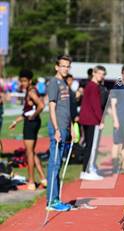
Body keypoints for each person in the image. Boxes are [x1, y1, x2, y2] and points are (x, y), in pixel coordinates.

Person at [45, 55, 75, 211]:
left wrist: (71, 128)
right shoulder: (53, 83)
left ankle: (55, 198)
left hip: (65, 127)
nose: (65, 68)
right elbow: (51, 107)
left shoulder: (64, 83)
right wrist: (56, 129)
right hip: (57, 128)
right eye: (63, 66)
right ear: (57, 67)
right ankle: (51, 201)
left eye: (68, 66)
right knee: (54, 164)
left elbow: (66, 109)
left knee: (58, 164)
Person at [9, 69, 47, 190]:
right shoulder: (29, 90)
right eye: (21, 81)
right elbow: (26, 112)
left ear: (30, 81)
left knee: (29, 152)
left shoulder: (31, 91)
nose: (23, 83)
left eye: (25, 81)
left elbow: (41, 105)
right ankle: (43, 178)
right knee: (31, 151)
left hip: (31, 123)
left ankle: (31, 181)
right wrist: (15, 121)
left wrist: (34, 115)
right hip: (32, 122)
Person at [78, 65, 107, 180]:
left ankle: (89, 168)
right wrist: (101, 120)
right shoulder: (94, 86)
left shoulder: (89, 86)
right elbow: (96, 105)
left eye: (103, 74)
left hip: (86, 119)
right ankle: (87, 171)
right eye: (100, 73)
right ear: (94, 73)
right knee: (92, 146)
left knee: (89, 145)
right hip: (92, 120)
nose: (101, 76)